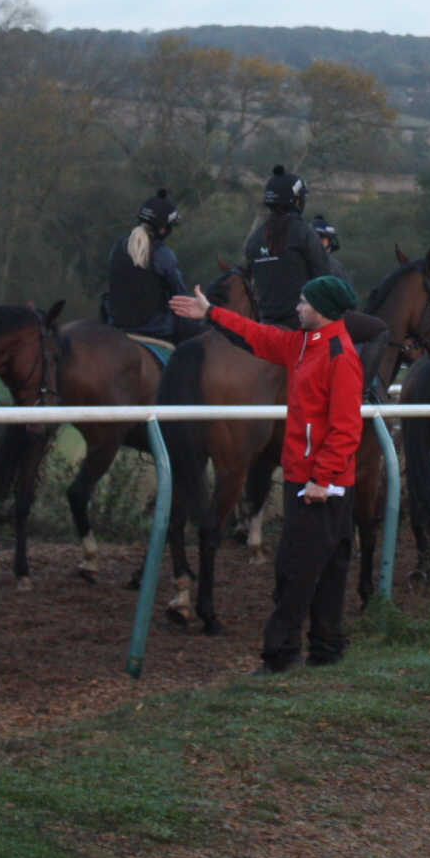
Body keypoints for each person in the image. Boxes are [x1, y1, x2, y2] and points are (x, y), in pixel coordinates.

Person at [169, 273, 364, 674]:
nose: (297, 308)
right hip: (313, 479)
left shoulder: (339, 355)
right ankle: (327, 650)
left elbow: (346, 427)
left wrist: (322, 479)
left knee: (295, 570)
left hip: (320, 485)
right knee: (326, 568)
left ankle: (280, 656)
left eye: (304, 303)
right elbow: (256, 335)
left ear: (323, 309)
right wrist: (212, 314)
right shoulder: (302, 345)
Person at [244, 165, 330, 327]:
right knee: (375, 329)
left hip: (266, 323)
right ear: (297, 201)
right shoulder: (305, 234)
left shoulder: (254, 240)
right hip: (303, 324)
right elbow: (325, 280)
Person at [106, 189, 191, 342]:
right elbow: (180, 298)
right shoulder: (163, 254)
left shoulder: (118, 246)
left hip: (116, 324)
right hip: (156, 328)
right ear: (163, 229)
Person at [308, 214, 353, 295]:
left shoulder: (336, 268)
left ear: (331, 241)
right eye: (311, 236)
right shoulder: (296, 262)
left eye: (320, 237)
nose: (315, 241)